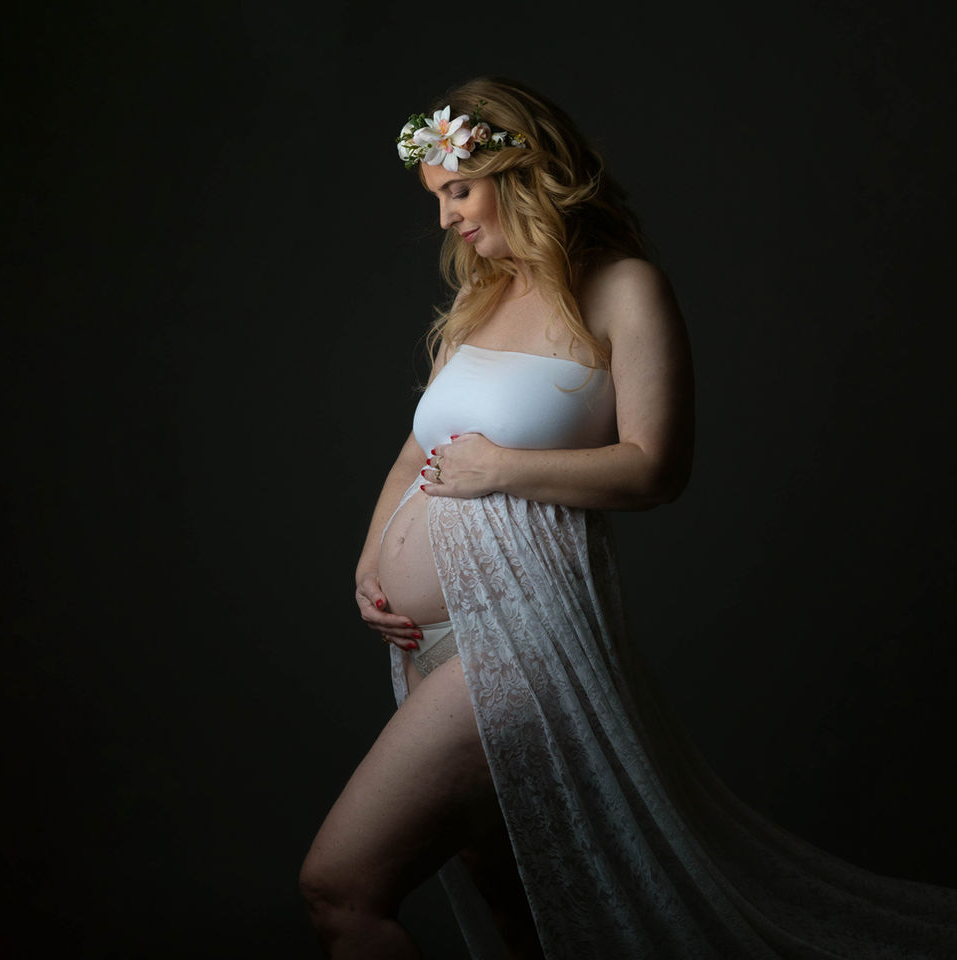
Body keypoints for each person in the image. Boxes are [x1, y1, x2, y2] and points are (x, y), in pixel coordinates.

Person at [299, 77, 957, 960]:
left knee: (340, 887)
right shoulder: (480, 299)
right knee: (513, 906)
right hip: (426, 641)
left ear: (519, 170)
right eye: (439, 199)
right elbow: (415, 452)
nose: (449, 218)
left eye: (459, 189)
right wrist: (367, 565)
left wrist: (501, 466)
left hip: (517, 638)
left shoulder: (622, 288)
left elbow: (656, 468)